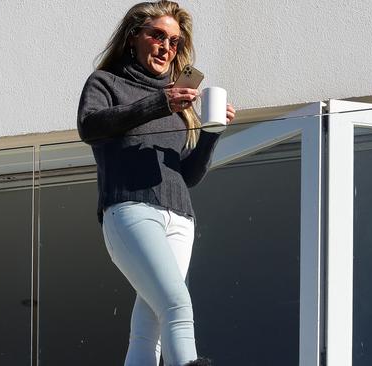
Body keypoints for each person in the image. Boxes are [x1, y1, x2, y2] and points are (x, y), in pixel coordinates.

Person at [77, 1, 235, 365]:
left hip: (180, 219)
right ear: (134, 37)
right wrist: (159, 103)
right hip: (130, 209)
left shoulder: (180, 104)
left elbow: (188, 175)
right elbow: (91, 126)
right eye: (158, 36)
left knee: (149, 328)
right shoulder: (107, 83)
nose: (167, 47)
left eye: (175, 42)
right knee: (177, 306)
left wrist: (212, 132)